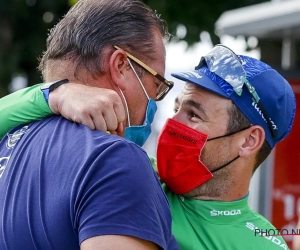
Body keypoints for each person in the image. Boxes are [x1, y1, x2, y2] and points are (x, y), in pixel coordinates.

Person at [0, 45, 295, 249]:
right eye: (177, 107)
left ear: (249, 140)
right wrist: (56, 94)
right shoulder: (132, 174)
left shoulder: (261, 242)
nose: (171, 122)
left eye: (193, 115)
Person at [0, 0, 179, 249]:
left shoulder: (8, 140)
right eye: (157, 84)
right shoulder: (115, 160)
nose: (154, 102)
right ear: (120, 65)